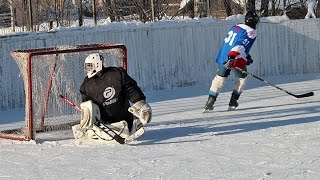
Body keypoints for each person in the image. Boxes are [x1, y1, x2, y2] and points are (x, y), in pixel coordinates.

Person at [72, 53, 152, 142]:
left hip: (125, 120)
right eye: (87, 66)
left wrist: (141, 104)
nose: (88, 69)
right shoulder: (86, 85)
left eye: (90, 66)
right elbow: (87, 103)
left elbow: (131, 89)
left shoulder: (116, 74)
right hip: (106, 125)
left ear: (98, 64)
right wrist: (88, 114)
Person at [203, 11, 260, 112]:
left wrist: (247, 56)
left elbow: (237, 43)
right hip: (234, 57)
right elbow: (239, 45)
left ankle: (210, 100)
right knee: (242, 78)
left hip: (225, 55)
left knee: (220, 78)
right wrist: (233, 57)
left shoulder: (236, 27)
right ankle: (233, 101)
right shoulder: (251, 32)